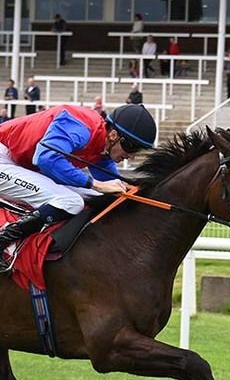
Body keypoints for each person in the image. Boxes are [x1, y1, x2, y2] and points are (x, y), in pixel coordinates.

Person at [0, 103, 157, 270]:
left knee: (99, 198)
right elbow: (46, 159)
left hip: (21, 163)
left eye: (138, 150)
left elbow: (110, 180)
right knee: (70, 201)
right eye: (131, 147)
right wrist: (94, 184)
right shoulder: (79, 126)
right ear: (113, 135)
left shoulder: (102, 145)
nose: (131, 156)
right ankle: (3, 239)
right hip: (5, 158)